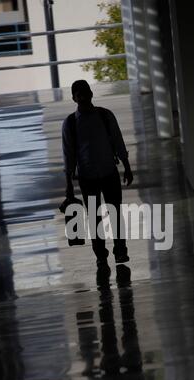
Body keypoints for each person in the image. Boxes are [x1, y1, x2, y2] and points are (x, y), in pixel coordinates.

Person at [61, 80, 133, 266]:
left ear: (91, 93)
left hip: (109, 172)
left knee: (115, 213)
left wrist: (127, 166)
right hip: (87, 177)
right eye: (79, 94)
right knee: (94, 217)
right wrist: (69, 184)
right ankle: (101, 255)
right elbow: (68, 154)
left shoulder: (105, 115)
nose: (83, 97)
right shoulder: (70, 123)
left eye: (85, 93)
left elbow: (118, 140)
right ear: (73, 98)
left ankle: (120, 251)